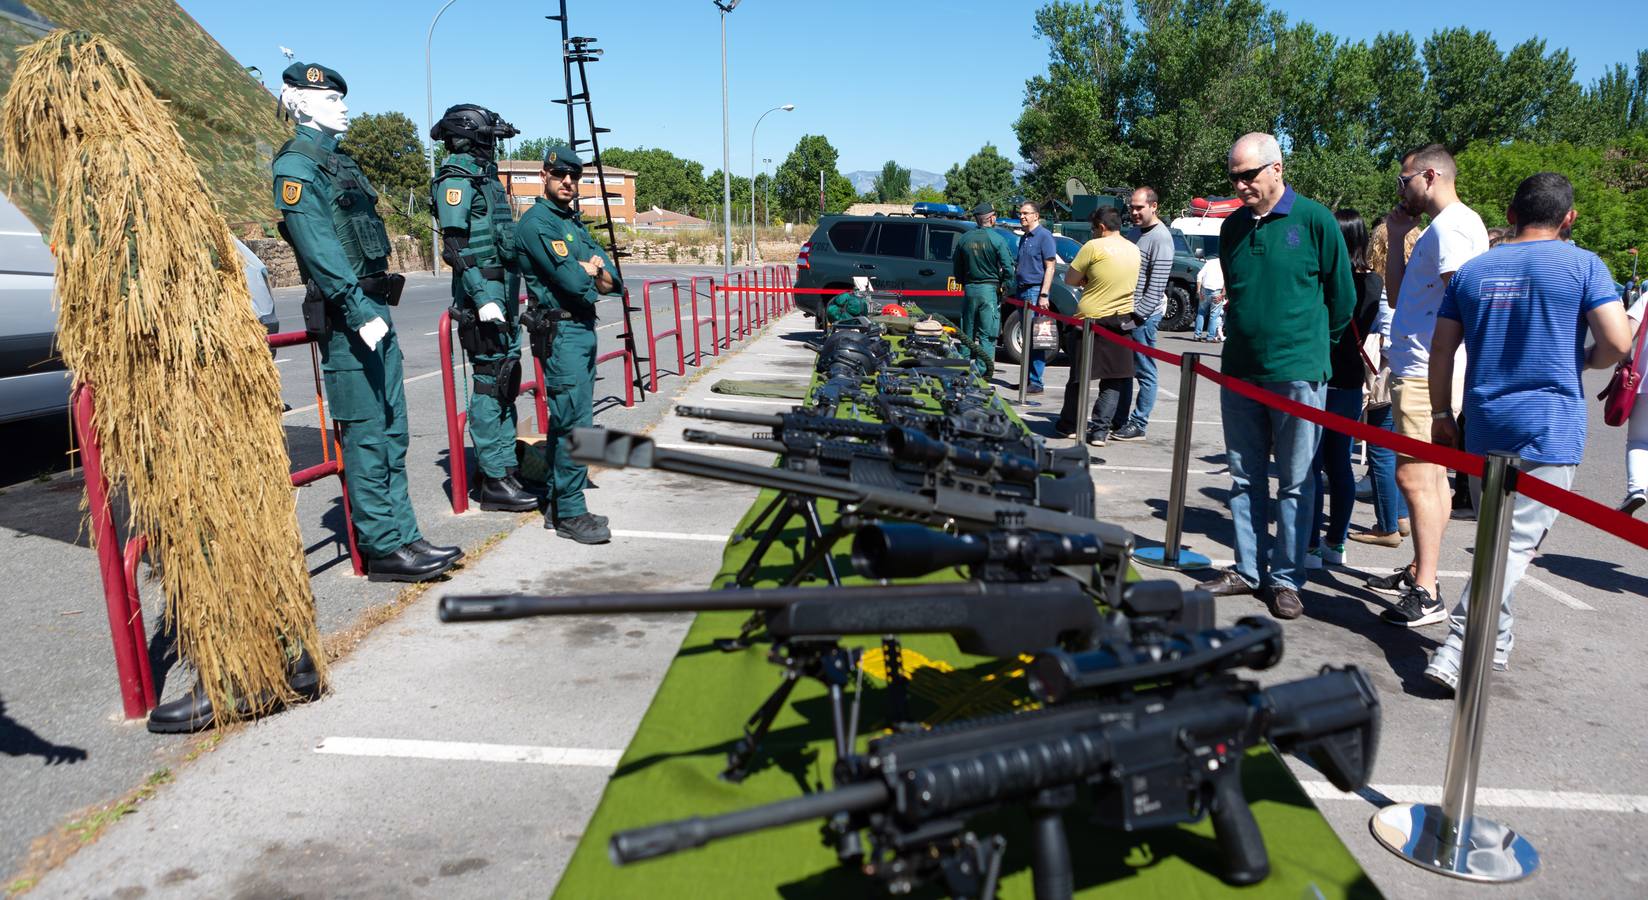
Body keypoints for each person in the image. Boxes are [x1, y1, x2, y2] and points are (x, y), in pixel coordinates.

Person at [1423, 172, 1630, 692]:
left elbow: (1443, 347)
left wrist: (1441, 413)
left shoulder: (1473, 271)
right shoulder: (1584, 265)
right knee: (1513, 546)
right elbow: (1618, 343)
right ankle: (1460, 645)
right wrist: (1584, 358)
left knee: (1498, 539)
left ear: (1511, 214)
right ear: (1569, 219)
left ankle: (1496, 641)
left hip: (1485, 419)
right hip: (1549, 424)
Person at [271, 62, 459, 583]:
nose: (344, 106)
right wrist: (356, 311)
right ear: (301, 103)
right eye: (332, 99)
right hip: (350, 320)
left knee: (393, 428)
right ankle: (381, 547)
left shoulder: (341, 164)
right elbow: (320, 249)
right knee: (367, 433)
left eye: (341, 98)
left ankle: (404, 533)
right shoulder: (297, 168)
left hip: (375, 309)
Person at [1196, 133, 1354, 621]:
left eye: (1249, 174)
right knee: (1244, 478)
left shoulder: (1314, 220)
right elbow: (1239, 295)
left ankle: (1286, 579)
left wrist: (1311, 351)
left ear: (1277, 169)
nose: (1240, 185)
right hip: (1241, 371)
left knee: (1295, 480)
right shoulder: (1233, 228)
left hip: (1298, 373)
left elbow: (1342, 299)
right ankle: (1247, 568)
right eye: (1234, 177)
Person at [1370, 145, 1489, 628]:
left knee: (1415, 478)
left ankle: (1428, 591)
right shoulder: (1439, 227)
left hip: (1425, 371)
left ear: (1430, 176)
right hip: (1420, 368)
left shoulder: (1454, 226)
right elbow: (1397, 296)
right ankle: (1424, 569)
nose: (1400, 190)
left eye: (1405, 181)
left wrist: (1443, 374)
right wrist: (1399, 235)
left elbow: (1464, 300)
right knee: (1431, 480)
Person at [430, 103, 538, 513]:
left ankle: (504, 467)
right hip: (484, 295)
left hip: (504, 291)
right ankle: (493, 480)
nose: (493, 145)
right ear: (471, 135)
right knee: (491, 382)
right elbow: (455, 247)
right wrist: (483, 297)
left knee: (508, 379)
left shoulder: (485, 178)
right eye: (489, 137)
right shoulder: (455, 179)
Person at [515, 141, 617, 544]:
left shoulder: (571, 223)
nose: (568, 182)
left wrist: (589, 268)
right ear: (544, 176)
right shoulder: (537, 223)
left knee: (566, 423)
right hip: (561, 334)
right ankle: (572, 514)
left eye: (574, 176)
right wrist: (587, 270)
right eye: (560, 175)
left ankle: (559, 502)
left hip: (582, 329)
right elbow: (576, 281)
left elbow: (611, 280)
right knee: (577, 424)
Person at [1306, 210, 1382, 569]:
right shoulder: (1375, 283)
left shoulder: (1323, 279)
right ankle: (1335, 542)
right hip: (1351, 377)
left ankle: (1308, 545)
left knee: (1310, 464)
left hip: (1317, 373)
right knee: (1339, 465)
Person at [1053, 206, 1140, 446]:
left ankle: (1070, 424)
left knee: (1079, 377)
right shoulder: (1134, 250)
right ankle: (1100, 431)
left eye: (1093, 229)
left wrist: (1087, 279)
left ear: (1101, 227)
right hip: (1121, 320)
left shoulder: (1092, 247)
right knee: (1113, 380)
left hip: (1090, 320)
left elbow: (1070, 278)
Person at [1110, 188, 1173, 442]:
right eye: (1132, 207)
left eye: (1139, 208)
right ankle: (1120, 419)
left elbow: (1156, 287)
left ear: (1154, 206)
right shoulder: (1135, 233)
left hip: (1142, 318)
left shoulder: (1161, 238)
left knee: (1145, 371)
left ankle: (1139, 423)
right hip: (1125, 313)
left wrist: (1136, 317)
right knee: (1123, 370)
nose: (1134, 212)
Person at [951, 202, 1014, 362]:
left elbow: (957, 266)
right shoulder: (997, 239)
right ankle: (983, 369)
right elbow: (1008, 268)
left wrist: (963, 281)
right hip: (989, 292)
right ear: (991, 219)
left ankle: (964, 366)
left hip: (970, 289)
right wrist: (1005, 284)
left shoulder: (964, 239)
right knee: (987, 333)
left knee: (967, 331)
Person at [1014, 201, 1058, 393]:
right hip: (1021, 291)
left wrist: (1044, 294)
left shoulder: (1044, 236)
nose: (1022, 216)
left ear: (1036, 216)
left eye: (1026, 213)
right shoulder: (1025, 237)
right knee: (1026, 338)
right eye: (1020, 213)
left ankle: (1036, 382)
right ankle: (1026, 379)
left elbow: (1050, 267)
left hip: (1035, 292)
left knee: (1037, 339)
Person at [1622, 290, 1647, 515]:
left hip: (1645, 386)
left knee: (1639, 442)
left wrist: (1624, 361)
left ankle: (1637, 488)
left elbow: (1624, 335)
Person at [1193, 255, 1224, 341]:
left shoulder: (1209, 262)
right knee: (1214, 315)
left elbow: (1199, 276)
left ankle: (1197, 335)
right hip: (1217, 291)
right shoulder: (1225, 264)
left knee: (1201, 313)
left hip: (1204, 290)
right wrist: (1222, 294)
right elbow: (1227, 280)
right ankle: (1210, 337)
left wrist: (1198, 291)